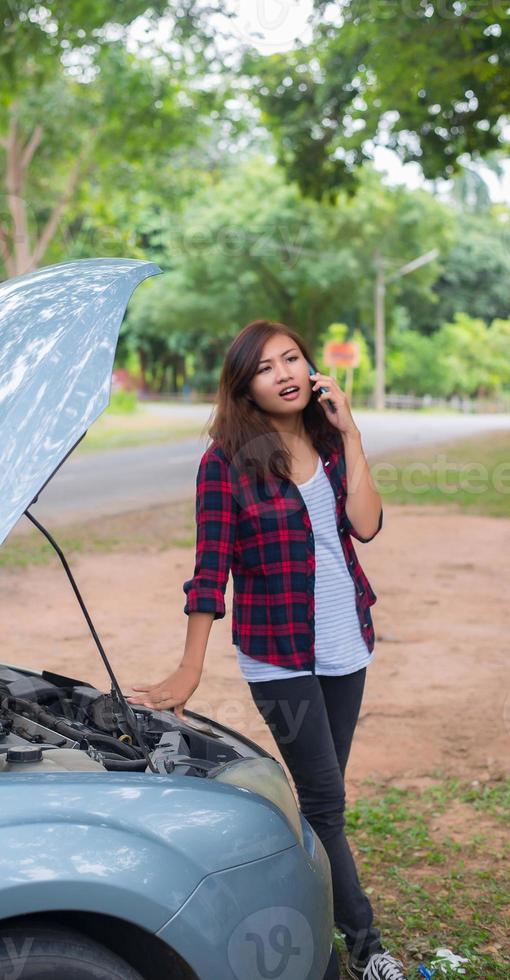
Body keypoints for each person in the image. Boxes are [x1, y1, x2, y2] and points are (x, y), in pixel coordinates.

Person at [126, 319, 408, 980]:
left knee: (317, 805)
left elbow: (367, 525)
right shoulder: (223, 461)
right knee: (326, 802)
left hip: (346, 644)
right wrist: (190, 666)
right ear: (243, 386)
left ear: (310, 369)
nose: (284, 374)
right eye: (265, 367)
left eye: (292, 359)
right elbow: (209, 569)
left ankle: (297, 913)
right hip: (278, 656)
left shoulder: (328, 444)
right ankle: (364, 949)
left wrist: (352, 434)